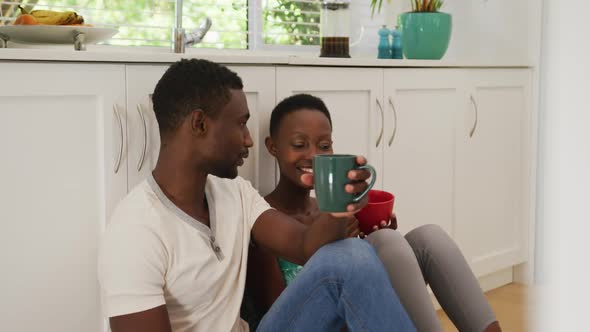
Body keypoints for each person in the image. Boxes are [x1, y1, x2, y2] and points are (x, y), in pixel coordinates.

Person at [97, 59, 415, 332]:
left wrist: (340, 204)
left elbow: (306, 247)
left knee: (350, 255)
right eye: (241, 124)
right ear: (199, 124)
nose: (249, 140)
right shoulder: (134, 232)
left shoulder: (234, 193)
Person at [245, 93, 502, 332]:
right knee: (382, 244)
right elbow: (285, 309)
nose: (313, 156)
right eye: (299, 144)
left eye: (324, 146)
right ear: (273, 147)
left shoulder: (334, 215)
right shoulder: (265, 220)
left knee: (422, 238)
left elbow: (360, 276)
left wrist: (378, 247)